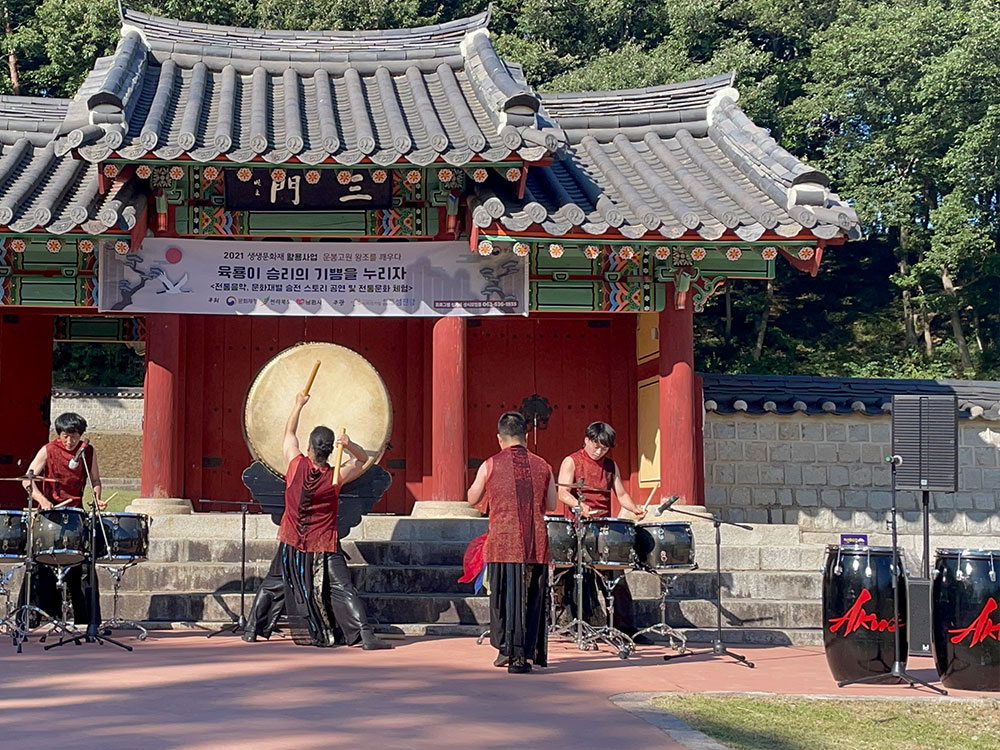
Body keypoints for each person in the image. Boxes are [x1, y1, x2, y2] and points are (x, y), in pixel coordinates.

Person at [271, 391, 391, 649]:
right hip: (324, 543)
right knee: (342, 588)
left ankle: (253, 627)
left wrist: (298, 405)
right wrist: (348, 444)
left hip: (294, 542)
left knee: (277, 582)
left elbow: (288, 434)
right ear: (328, 451)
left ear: (310, 448)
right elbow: (362, 459)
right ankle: (365, 634)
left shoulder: (295, 465)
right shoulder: (336, 476)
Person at [467, 411, 557, 673]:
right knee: (532, 597)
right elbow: (551, 504)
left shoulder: (490, 464)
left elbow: (473, 498)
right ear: (526, 437)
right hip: (534, 543)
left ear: (499, 438)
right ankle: (527, 655)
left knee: (503, 598)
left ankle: (507, 648)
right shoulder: (544, 465)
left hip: (503, 540)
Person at [556, 421, 645, 632]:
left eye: (603, 448)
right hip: (578, 527)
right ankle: (582, 626)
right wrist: (580, 505)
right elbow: (563, 493)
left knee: (616, 578)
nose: (598, 451)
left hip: (603, 529)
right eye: (595, 445)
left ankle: (626, 629)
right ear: (586, 440)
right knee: (580, 579)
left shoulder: (610, 466)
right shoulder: (572, 461)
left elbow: (621, 494)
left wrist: (635, 509)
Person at [20, 412, 104, 630]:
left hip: (75, 515)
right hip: (48, 516)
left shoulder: (87, 452)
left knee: (83, 567)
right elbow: (27, 480)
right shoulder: (48, 450)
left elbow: (95, 479)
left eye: (74, 436)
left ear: (81, 435)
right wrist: (41, 499)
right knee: (38, 565)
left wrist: (98, 497)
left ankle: (87, 621)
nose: (69, 441)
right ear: (59, 434)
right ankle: (30, 618)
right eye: (65, 436)